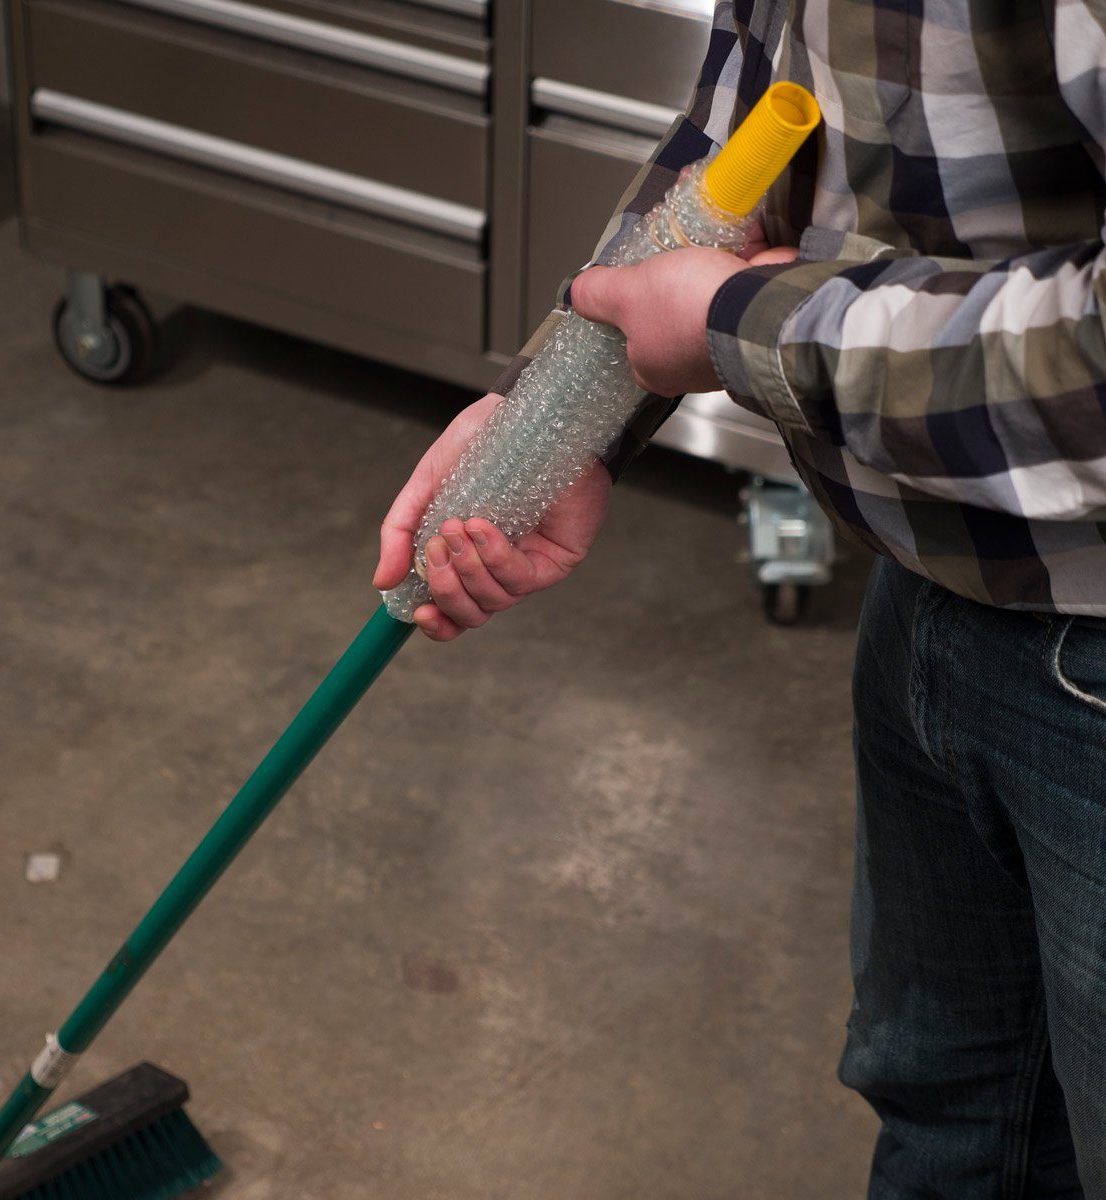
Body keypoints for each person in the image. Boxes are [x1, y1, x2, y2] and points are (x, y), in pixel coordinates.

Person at [373, 0, 1106, 1192]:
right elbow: (751, 133)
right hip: (931, 580)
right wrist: (567, 410)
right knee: (956, 1112)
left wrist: (734, 327)